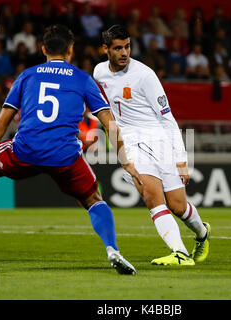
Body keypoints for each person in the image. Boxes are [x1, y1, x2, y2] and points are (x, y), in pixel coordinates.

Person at [0, 25, 141, 275]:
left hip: (25, 151)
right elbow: (110, 124)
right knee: (94, 199)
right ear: (71, 50)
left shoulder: (27, 76)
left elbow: (0, 124)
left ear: (43, 49)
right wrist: (126, 162)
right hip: (65, 157)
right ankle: (113, 250)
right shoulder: (83, 78)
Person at [94, 25, 210, 266]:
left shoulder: (145, 75)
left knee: (178, 207)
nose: (124, 52)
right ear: (106, 49)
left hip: (160, 141)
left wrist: (181, 159)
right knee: (152, 197)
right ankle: (180, 252)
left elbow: (167, 118)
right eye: (118, 48)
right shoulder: (99, 73)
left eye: (127, 47)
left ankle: (202, 234)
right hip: (132, 144)